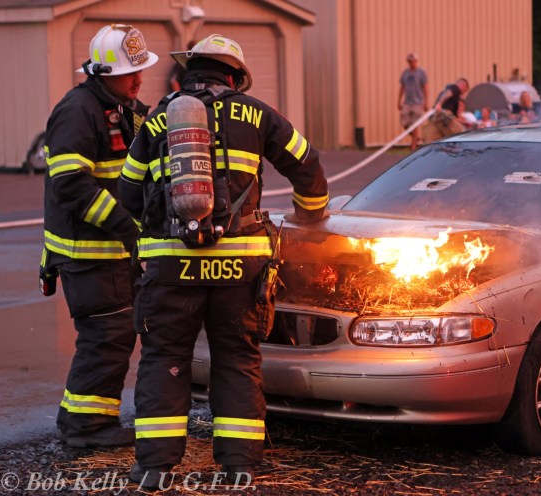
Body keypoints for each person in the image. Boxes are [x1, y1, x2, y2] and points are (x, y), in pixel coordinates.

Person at [118, 34, 329, 488]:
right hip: (241, 268)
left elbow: (128, 192)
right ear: (234, 76)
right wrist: (312, 214)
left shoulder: (157, 121)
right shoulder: (256, 113)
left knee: (164, 359)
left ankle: (154, 467)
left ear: (187, 72)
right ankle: (239, 466)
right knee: (236, 359)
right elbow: (306, 162)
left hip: (171, 267)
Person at [40, 24, 158, 447]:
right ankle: (86, 428)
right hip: (90, 253)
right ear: (104, 73)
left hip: (107, 253)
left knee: (114, 335)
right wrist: (128, 227)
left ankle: (83, 420)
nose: (139, 79)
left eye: (141, 69)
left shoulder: (123, 107)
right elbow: (69, 184)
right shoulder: (78, 110)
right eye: (131, 72)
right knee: (106, 337)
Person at [422, 77, 470, 144]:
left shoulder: (446, 90)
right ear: (463, 85)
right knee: (459, 135)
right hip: (444, 115)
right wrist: (440, 104)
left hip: (436, 118)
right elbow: (448, 93)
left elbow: (455, 117)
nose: (463, 93)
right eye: (464, 90)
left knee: (435, 141)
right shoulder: (455, 88)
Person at [397, 53, 429, 151]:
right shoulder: (405, 73)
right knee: (405, 122)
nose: (412, 63)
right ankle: (416, 138)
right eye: (410, 61)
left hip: (418, 102)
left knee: (415, 123)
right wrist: (399, 100)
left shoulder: (421, 73)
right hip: (407, 102)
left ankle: (413, 146)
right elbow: (402, 87)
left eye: (414, 61)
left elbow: (425, 87)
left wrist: (425, 102)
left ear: (416, 61)